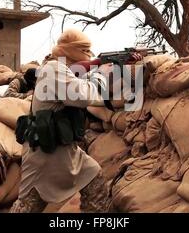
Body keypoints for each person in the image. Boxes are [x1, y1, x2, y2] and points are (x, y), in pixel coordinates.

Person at [9, 29, 114, 213]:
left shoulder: (62, 70)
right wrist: (101, 75)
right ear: (73, 51)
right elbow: (82, 96)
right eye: (85, 51)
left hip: (64, 150)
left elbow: (80, 86)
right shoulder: (53, 68)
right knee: (28, 205)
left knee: (95, 180)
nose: (88, 56)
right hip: (45, 153)